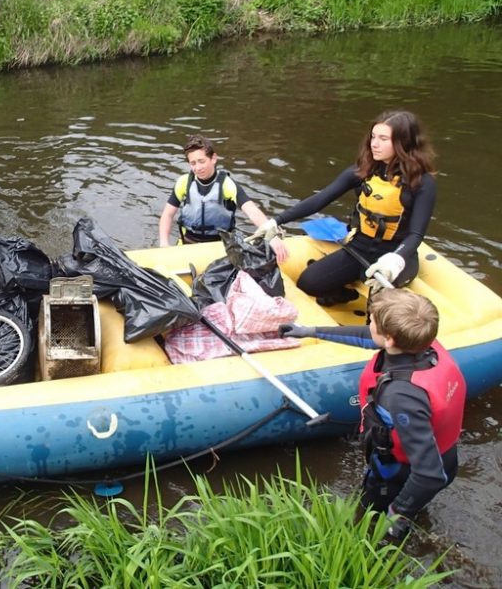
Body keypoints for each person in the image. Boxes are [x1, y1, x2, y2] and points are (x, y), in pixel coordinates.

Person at [280, 289, 466, 541]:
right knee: (408, 505)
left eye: (373, 322)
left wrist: (397, 513)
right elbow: (370, 337)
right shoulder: (424, 343)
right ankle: (411, 514)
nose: (369, 325)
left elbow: (429, 473)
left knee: (370, 520)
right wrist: (309, 331)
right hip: (443, 456)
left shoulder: (403, 395)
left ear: (390, 339)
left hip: (402, 471)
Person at [248, 111, 436, 306]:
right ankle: (344, 295)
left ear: (403, 143)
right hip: (360, 248)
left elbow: (415, 235)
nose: (374, 144)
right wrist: (276, 220)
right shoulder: (364, 170)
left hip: (396, 254)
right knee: (309, 283)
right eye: (373, 136)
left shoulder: (422, 183)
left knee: (380, 300)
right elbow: (321, 199)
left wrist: (395, 260)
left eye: (383, 138)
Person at [158, 135, 288, 262]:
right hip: (188, 242)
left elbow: (251, 210)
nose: (198, 168)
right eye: (193, 163)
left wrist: (271, 235)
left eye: (202, 161)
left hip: (220, 245)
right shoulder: (183, 182)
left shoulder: (227, 184)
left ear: (213, 158)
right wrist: (164, 243)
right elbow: (167, 215)